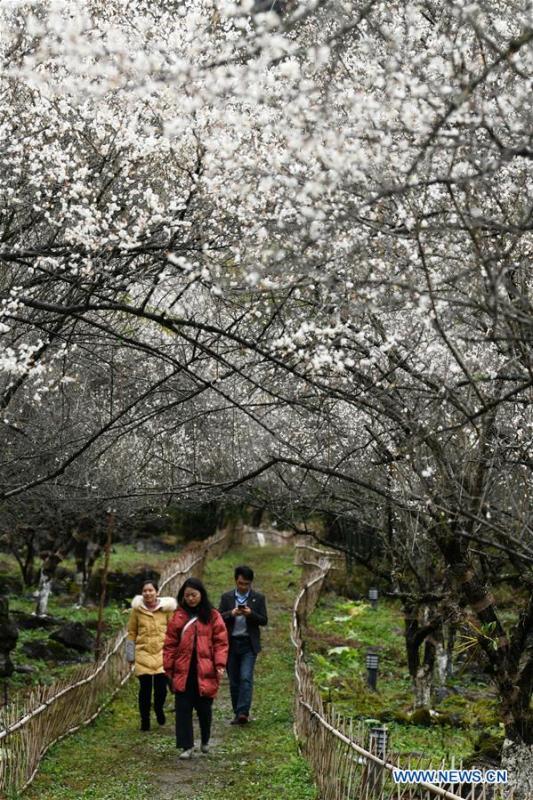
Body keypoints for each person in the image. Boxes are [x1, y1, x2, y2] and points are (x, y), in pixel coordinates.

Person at [163, 577, 228, 760]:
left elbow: (221, 642)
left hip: (205, 670)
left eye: (194, 595)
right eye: (187, 596)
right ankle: (187, 746)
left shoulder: (213, 616)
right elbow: (170, 644)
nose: (191, 599)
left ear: (201, 594)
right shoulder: (178, 616)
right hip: (183, 670)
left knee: (204, 709)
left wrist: (220, 664)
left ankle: (205, 739)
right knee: (183, 708)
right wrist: (168, 667)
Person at [219, 564, 268, 725]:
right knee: (234, 680)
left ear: (251, 583)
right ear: (235, 581)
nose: (243, 587)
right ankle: (237, 711)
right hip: (231, 644)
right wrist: (231, 614)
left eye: (246, 584)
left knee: (246, 677)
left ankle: (243, 713)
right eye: (240, 583)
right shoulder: (227, 598)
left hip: (248, 644)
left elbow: (263, 620)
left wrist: (250, 614)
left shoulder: (258, 598)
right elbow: (218, 619)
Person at [126, 579, 177, 732]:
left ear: (157, 592)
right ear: (142, 594)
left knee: (161, 689)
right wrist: (130, 655)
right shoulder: (137, 611)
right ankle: (145, 720)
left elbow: (173, 632)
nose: (148, 593)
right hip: (143, 653)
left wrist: (174, 652)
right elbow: (132, 632)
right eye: (145, 591)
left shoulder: (167, 610)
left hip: (162, 653)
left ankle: (159, 709)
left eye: (151, 590)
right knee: (145, 689)